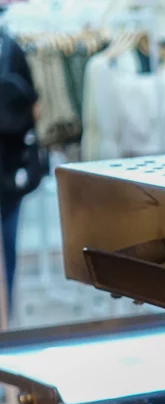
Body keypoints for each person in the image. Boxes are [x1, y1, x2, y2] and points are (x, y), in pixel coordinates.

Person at [0, 27, 43, 317]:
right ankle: (7, 317)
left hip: (8, 164)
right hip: (10, 163)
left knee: (8, 244)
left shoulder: (10, 47)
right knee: (8, 246)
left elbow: (34, 105)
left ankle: (7, 317)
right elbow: (35, 107)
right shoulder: (10, 46)